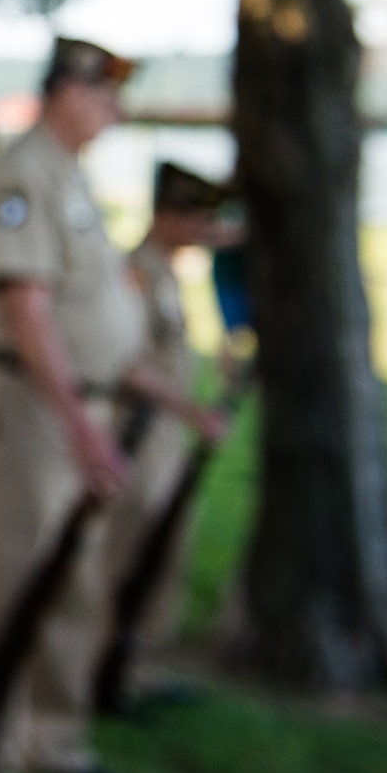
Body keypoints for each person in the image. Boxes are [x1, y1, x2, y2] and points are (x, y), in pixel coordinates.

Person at [0, 37, 146, 773]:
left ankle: (52, 740)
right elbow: (27, 309)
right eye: (102, 95)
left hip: (71, 406)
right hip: (30, 406)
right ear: (62, 91)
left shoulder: (67, 175)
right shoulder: (21, 175)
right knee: (8, 585)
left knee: (69, 581)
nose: (114, 110)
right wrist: (79, 423)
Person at [92, 161, 238, 712]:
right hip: (141, 429)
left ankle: (140, 664)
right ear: (169, 215)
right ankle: (107, 667)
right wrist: (191, 411)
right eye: (199, 217)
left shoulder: (170, 271)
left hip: (167, 433)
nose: (207, 229)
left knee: (165, 553)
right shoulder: (136, 270)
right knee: (129, 552)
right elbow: (128, 362)